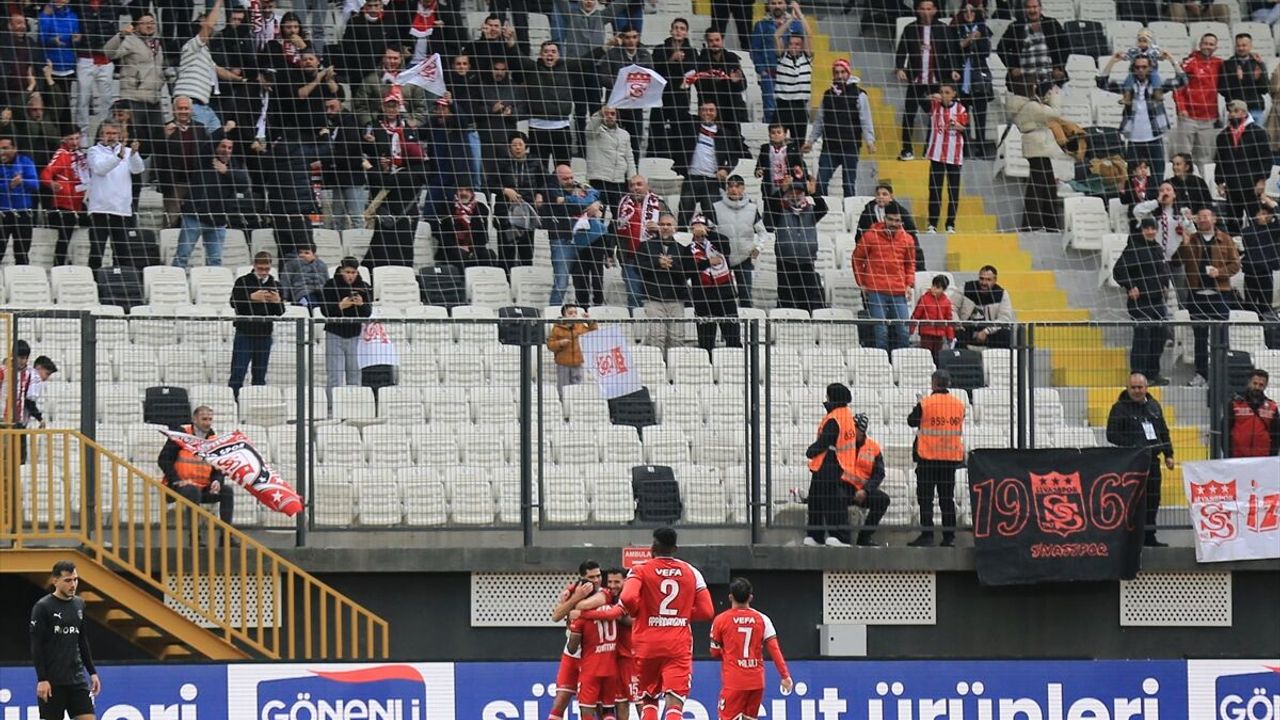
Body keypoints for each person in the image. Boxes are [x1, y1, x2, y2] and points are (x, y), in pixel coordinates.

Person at [620, 527, 715, 720]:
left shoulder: (639, 570)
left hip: (646, 644)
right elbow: (707, 611)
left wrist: (638, 612)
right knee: (675, 701)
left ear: (652, 548)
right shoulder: (691, 572)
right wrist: (680, 614)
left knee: (648, 698)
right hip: (677, 645)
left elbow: (627, 597)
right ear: (675, 549)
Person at [805, 382, 890, 548]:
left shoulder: (838, 420)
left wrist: (866, 490)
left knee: (832, 499)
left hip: (847, 479)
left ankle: (852, 537)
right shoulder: (845, 417)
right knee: (820, 498)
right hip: (842, 480)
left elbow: (878, 473)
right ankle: (817, 536)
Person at [709, 577, 794, 720]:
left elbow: (714, 652)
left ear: (730, 597)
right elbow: (774, 649)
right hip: (756, 682)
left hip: (734, 681)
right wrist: (785, 676)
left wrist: (728, 653)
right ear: (750, 597)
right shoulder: (763, 619)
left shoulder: (720, 620)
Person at [1106, 372, 1175, 547]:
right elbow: (1111, 434)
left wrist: (1168, 454)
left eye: (1140, 387)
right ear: (1127, 388)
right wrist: (1134, 445)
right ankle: (1131, 538)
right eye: (1133, 387)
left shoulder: (1154, 406)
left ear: (1146, 387)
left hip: (1152, 461)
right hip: (1132, 462)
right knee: (1133, 500)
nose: (1137, 391)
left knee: (1153, 499)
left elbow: (1163, 431)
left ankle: (1149, 536)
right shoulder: (1119, 408)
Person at [1175, 208, 1241, 387]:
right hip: (1196, 296)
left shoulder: (1225, 239)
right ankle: (1201, 374)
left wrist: (1220, 272)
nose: (1202, 219)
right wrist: (1184, 244)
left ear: (1214, 219)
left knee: (1221, 337)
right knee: (1200, 338)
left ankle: (1220, 374)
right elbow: (1177, 261)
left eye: (1206, 216)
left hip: (1220, 296)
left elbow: (1236, 264)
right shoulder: (1191, 239)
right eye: (1200, 217)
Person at [1096, 52, 1186, 181]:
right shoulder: (1128, 86)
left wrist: (1171, 59)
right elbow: (1102, 83)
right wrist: (1112, 62)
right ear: (1133, 68)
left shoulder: (1157, 86)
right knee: (1132, 178)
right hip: (1134, 139)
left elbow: (1182, 80)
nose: (1141, 70)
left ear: (1150, 68)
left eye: (1144, 67)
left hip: (1154, 137)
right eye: (1137, 67)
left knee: (1157, 176)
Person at [30, 560, 99, 720]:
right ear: (55, 581)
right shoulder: (43, 607)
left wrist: (92, 672)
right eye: (68, 580)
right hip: (53, 681)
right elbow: (36, 645)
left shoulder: (79, 604)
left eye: (75, 579)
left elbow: (82, 640)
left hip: (77, 679)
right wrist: (42, 679)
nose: (73, 585)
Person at [907, 369, 966, 547]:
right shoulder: (959, 405)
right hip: (949, 459)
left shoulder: (926, 403)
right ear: (948, 384)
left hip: (928, 458)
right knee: (947, 499)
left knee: (926, 499)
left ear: (933, 383)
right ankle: (949, 537)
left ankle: (927, 535)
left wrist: (918, 405)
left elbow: (911, 421)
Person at [1114, 218, 1174, 385]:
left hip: (1157, 299)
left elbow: (1162, 270)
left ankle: (1153, 373)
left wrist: (1164, 284)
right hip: (1140, 301)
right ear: (1141, 230)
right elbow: (1119, 270)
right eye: (1146, 228)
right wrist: (1130, 285)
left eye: (1153, 228)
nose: (1150, 231)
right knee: (1143, 336)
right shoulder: (1133, 248)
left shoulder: (1157, 248)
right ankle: (1138, 375)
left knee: (1160, 335)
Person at [548, 560, 610, 720]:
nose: (596, 580)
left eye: (598, 576)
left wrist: (572, 604)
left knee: (597, 707)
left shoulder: (604, 593)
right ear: (582, 578)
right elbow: (555, 616)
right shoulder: (573, 592)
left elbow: (584, 606)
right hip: (571, 655)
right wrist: (575, 597)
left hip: (593, 656)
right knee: (560, 701)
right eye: (591, 577)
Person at [157, 405, 236, 530]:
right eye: (204, 419)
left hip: (204, 487)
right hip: (179, 486)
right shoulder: (181, 435)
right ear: (194, 419)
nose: (207, 423)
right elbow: (163, 460)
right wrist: (177, 480)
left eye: (210, 419)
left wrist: (217, 481)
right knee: (193, 491)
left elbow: (218, 469)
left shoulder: (214, 441)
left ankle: (226, 536)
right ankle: (195, 536)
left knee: (227, 491)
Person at [175, 137, 249, 269]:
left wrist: (226, 172)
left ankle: (213, 283)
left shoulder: (235, 165)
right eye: (223, 146)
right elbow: (207, 145)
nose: (226, 150)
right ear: (216, 147)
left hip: (218, 222)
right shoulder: (205, 159)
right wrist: (223, 129)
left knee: (215, 261)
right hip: (195, 218)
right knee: (182, 257)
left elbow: (244, 185)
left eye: (229, 148)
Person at [806, 58, 875, 197]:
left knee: (848, 184)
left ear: (848, 73)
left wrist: (870, 141)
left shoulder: (859, 95)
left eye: (843, 72)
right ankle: (823, 208)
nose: (840, 75)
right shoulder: (828, 95)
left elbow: (866, 119)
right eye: (836, 72)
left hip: (850, 147)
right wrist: (811, 141)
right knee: (821, 183)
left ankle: (849, 210)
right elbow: (820, 120)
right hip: (830, 146)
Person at [894, 0, 953, 161]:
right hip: (916, 80)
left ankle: (931, 149)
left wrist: (953, 71)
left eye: (929, 8)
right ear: (917, 10)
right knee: (909, 115)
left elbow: (951, 52)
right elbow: (902, 51)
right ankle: (907, 149)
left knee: (937, 115)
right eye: (922, 9)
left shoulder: (943, 29)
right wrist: (900, 68)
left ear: (935, 10)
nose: (926, 12)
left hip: (936, 81)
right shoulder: (910, 29)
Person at [85, 121, 145, 270]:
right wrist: (118, 157)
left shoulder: (127, 151)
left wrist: (134, 154)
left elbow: (138, 169)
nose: (111, 137)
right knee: (97, 251)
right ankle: (94, 279)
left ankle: (119, 279)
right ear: (101, 135)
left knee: (121, 252)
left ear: (119, 135)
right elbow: (100, 169)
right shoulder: (93, 151)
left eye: (114, 133)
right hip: (100, 209)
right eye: (108, 133)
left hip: (121, 209)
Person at [853, 210, 916, 352]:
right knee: (880, 331)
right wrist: (861, 283)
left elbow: (910, 264)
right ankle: (882, 362)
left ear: (901, 222)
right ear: (884, 218)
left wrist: (909, 284)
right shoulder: (870, 236)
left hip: (898, 290)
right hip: (876, 290)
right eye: (891, 219)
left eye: (897, 220)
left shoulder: (907, 239)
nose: (894, 223)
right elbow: (857, 259)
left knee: (903, 330)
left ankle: (902, 360)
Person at [768, 177, 829, 314]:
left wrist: (814, 193)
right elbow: (770, 207)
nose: (795, 195)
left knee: (807, 298)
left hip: (806, 260)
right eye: (791, 192)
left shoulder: (811, 210)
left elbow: (823, 209)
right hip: (785, 261)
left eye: (798, 192)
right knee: (786, 297)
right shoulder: (780, 210)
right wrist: (781, 190)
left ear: (803, 194)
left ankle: (806, 323)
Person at [228, 252, 285, 397]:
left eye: (267, 269)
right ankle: (234, 401)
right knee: (238, 372)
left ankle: (256, 401)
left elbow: (279, 312)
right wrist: (251, 297)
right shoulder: (243, 281)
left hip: (265, 334)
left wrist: (277, 301)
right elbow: (234, 303)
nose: (264, 272)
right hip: (245, 333)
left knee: (260, 374)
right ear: (254, 265)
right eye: (261, 269)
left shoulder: (275, 285)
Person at [639, 214, 694, 354]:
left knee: (677, 338)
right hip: (653, 298)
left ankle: (675, 367)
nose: (665, 227)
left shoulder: (683, 248)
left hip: (676, 299)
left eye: (669, 225)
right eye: (662, 224)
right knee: (657, 337)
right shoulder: (646, 246)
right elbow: (638, 268)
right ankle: (657, 365)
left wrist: (672, 266)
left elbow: (688, 273)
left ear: (675, 228)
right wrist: (657, 263)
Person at [320, 258, 374, 394]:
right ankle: (332, 405)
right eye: (347, 272)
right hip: (334, 333)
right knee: (334, 376)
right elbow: (324, 311)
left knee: (355, 375)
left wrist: (361, 304)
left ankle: (354, 403)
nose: (350, 276)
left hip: (355, 334)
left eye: (353, 272)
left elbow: (367, 313)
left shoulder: (364, 286)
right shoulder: (330, 285)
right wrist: (340, 306)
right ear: (341, 271)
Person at [1215, 100, 1271, 231]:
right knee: (1233, 221)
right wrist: (1219, 182)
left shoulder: (1258, 133)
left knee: (1256, 220)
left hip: (1252, 184)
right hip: (1232, 185)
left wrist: (1262, 180)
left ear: (1244, 113)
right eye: (1230, 112)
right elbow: (1220, 160)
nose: (1232, 114)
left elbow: (1266, 158)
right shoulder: (1223, 135)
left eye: (1236, 111)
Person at [688, 215, 741, 353]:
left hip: (725, 295)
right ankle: (708, 362)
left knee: (733, 336)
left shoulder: (718, 243)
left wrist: (708, 234)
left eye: (702, 226)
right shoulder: (688, 249)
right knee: (706, 340)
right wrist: (708, 262)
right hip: (703, 298)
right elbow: (688, 270)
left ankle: (735, 361)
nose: (698, 229)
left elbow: (726, 246)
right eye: (695, 226)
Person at [615, 176, 669, 309]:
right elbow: (615, 230)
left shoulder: (659, 204)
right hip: (630, 258)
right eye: (632, 185)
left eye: (639, 184)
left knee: (654, 297)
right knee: (634, 296)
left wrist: (659, 228)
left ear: (647, 186)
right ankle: (635, 322)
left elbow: (673, 228)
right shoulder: (622, 205)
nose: (635, 188)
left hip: (654, 259)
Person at [1172, 34, 1223, 172]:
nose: (1208, 47)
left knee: (1205, 157)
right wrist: (1181, 107)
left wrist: (1254, 57)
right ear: (1200, 45)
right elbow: (1177, 87)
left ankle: (1204, 183)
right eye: (1205, 43)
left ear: (1216, 47)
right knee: (1184, 155)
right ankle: (1182, 183)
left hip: (1209, 118)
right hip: (1188, 116)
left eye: (1211, 44)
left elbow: (1235, 63)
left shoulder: (1219, 63)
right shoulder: (1189, 63)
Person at [713, 175, 766, 307]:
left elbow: (763, 233)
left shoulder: (752, 209)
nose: (734, 189)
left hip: (744, 257)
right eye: (731, 186)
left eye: (737, 186)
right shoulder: (716, 207)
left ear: (743, 188)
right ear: (726, 188)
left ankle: (747, 318)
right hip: (722, 258)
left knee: (746, 295)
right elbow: (709, 230)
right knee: (723, 296)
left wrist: (758, 247)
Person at [950, 0, 992, 155]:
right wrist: (969, 40)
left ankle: (981, 148)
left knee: (981, 115)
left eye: (972, 11)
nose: (969, 14)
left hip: (979, 76)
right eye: (966, 11)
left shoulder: (983, 28)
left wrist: (977, 39)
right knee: (963, 115)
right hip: (962, 77)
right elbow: (954, 49)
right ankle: (964, 147)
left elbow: (985, 52)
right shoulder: (956, 29)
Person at [925, 84, 968, 233]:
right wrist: (931, 96)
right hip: (936, 155)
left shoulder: (960, 109)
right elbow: (921, 101)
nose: (943, 95)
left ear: (954, 94)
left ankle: (950, 224)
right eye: (942, 92)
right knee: (934, 190)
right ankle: (932, 224)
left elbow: (966, 129)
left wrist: (957, 125)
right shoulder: (935, 106)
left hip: (954, 156)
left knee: (953, 191)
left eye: (947, 92)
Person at [996, 0, 1068, 89]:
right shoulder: (1015, 26)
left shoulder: (1052, 23)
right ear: (1024, 9)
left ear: (1040, 8)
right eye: (1028, 7)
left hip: (1050, 79)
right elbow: (1001, 48)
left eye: (1034, 7)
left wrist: (1059, 67)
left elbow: (1066, 45)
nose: (1032, 10)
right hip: (1023, 80)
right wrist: (1012, 68)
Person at [40, 130, 86, 266]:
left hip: (78, 203)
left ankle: (71, 263)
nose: (74, 142)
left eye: (77, 138)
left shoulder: (81, 156)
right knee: (65, 237)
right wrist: (51, 183)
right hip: (63, 204)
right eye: (71, 139)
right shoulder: (62, 154)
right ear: (64, 140)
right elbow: (46, 173)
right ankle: (58, 265)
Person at [771, 14, 814, 146]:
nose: (794, 47)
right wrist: (790, 20)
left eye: (797, 44)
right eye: (791, 44)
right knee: (776, 143)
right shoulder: (782, 57)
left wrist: (799, 15)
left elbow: (809, 35)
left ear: (802, 46)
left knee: (798, 145)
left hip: (799, 107)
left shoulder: (807, 58)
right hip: (782, 106)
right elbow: (776, 36)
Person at [955, 265, 1015, 349]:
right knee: (956, 334)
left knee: (1005, 335)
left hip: (989, 331)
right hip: (966, 329)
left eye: (988, 280)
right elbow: (952, 307)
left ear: (995, 280)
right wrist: (957, 324)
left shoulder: (1001, 294)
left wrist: (986, 331)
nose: (984, 283)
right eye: (981, 278)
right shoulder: (965, 288)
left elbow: (1004, 318)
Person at [0, 135, 38, 265]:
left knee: (22, 252)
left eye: (5, 148)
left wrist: (22, 181)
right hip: (2, 212)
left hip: (23, 213)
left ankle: (22, 276)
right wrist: (9, 185)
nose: (2, 152)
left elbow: (35, 184)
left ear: (14, 148)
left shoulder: (25, 162)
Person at [1218, 33, 1268, 126]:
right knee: (1236, 135)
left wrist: (1258, 78)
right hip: (1235, 111)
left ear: (1250, 46)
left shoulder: (1258, 63)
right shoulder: (1227, 64)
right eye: (1238, 45)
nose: (1241, 48)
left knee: (1257, 135)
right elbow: (1222, 90)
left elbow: (1265, 89)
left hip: (1255, 109)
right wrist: (1237, 80)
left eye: (1244, 45)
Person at [547, 304, 597, 392]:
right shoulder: (557, 328)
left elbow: (594, 333)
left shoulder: (580, 326)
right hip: (563, 364)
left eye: (575, 313)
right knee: (563, 389)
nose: (573, 315)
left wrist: (590, 321)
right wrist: (560, 343)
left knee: (577, 389)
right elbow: (550, 345)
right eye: (570, 313)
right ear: (564, 315)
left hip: (578, 363)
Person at [1230, 369, 1279, 457]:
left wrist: (1272, 455)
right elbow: (1226, 430)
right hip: (1238, 457)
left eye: (1261, 385)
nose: (1257, 387)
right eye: (1255, 383)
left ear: (1265, 386)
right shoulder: (1235, 404)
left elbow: (1276, 434)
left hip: (1263, 457)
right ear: (1249, 382)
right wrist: (1229, 453)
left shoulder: (1272, 407)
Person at [755, 123, 806, 201]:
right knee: (770, 206)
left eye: (779, 132)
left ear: (785, 134)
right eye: (773, 133)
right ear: (769, 135)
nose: (776, 135)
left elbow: (800, 166)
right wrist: (758, 171)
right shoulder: (765, 149)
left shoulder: (793, 149)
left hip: (788, 188)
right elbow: (758, 166)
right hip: (770, 188)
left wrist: (798, 172)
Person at [912, 274, 956, 361]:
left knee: (937, 356)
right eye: (933, 286)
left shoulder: (946, 302)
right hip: (926, 333)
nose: (934, 289)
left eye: (938, 287)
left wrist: (950, 336)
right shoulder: (924, 299)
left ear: (943, 289)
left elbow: (948, 320)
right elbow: (916, 315)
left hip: (939, 335)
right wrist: (911, 330)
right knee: (926, 355)